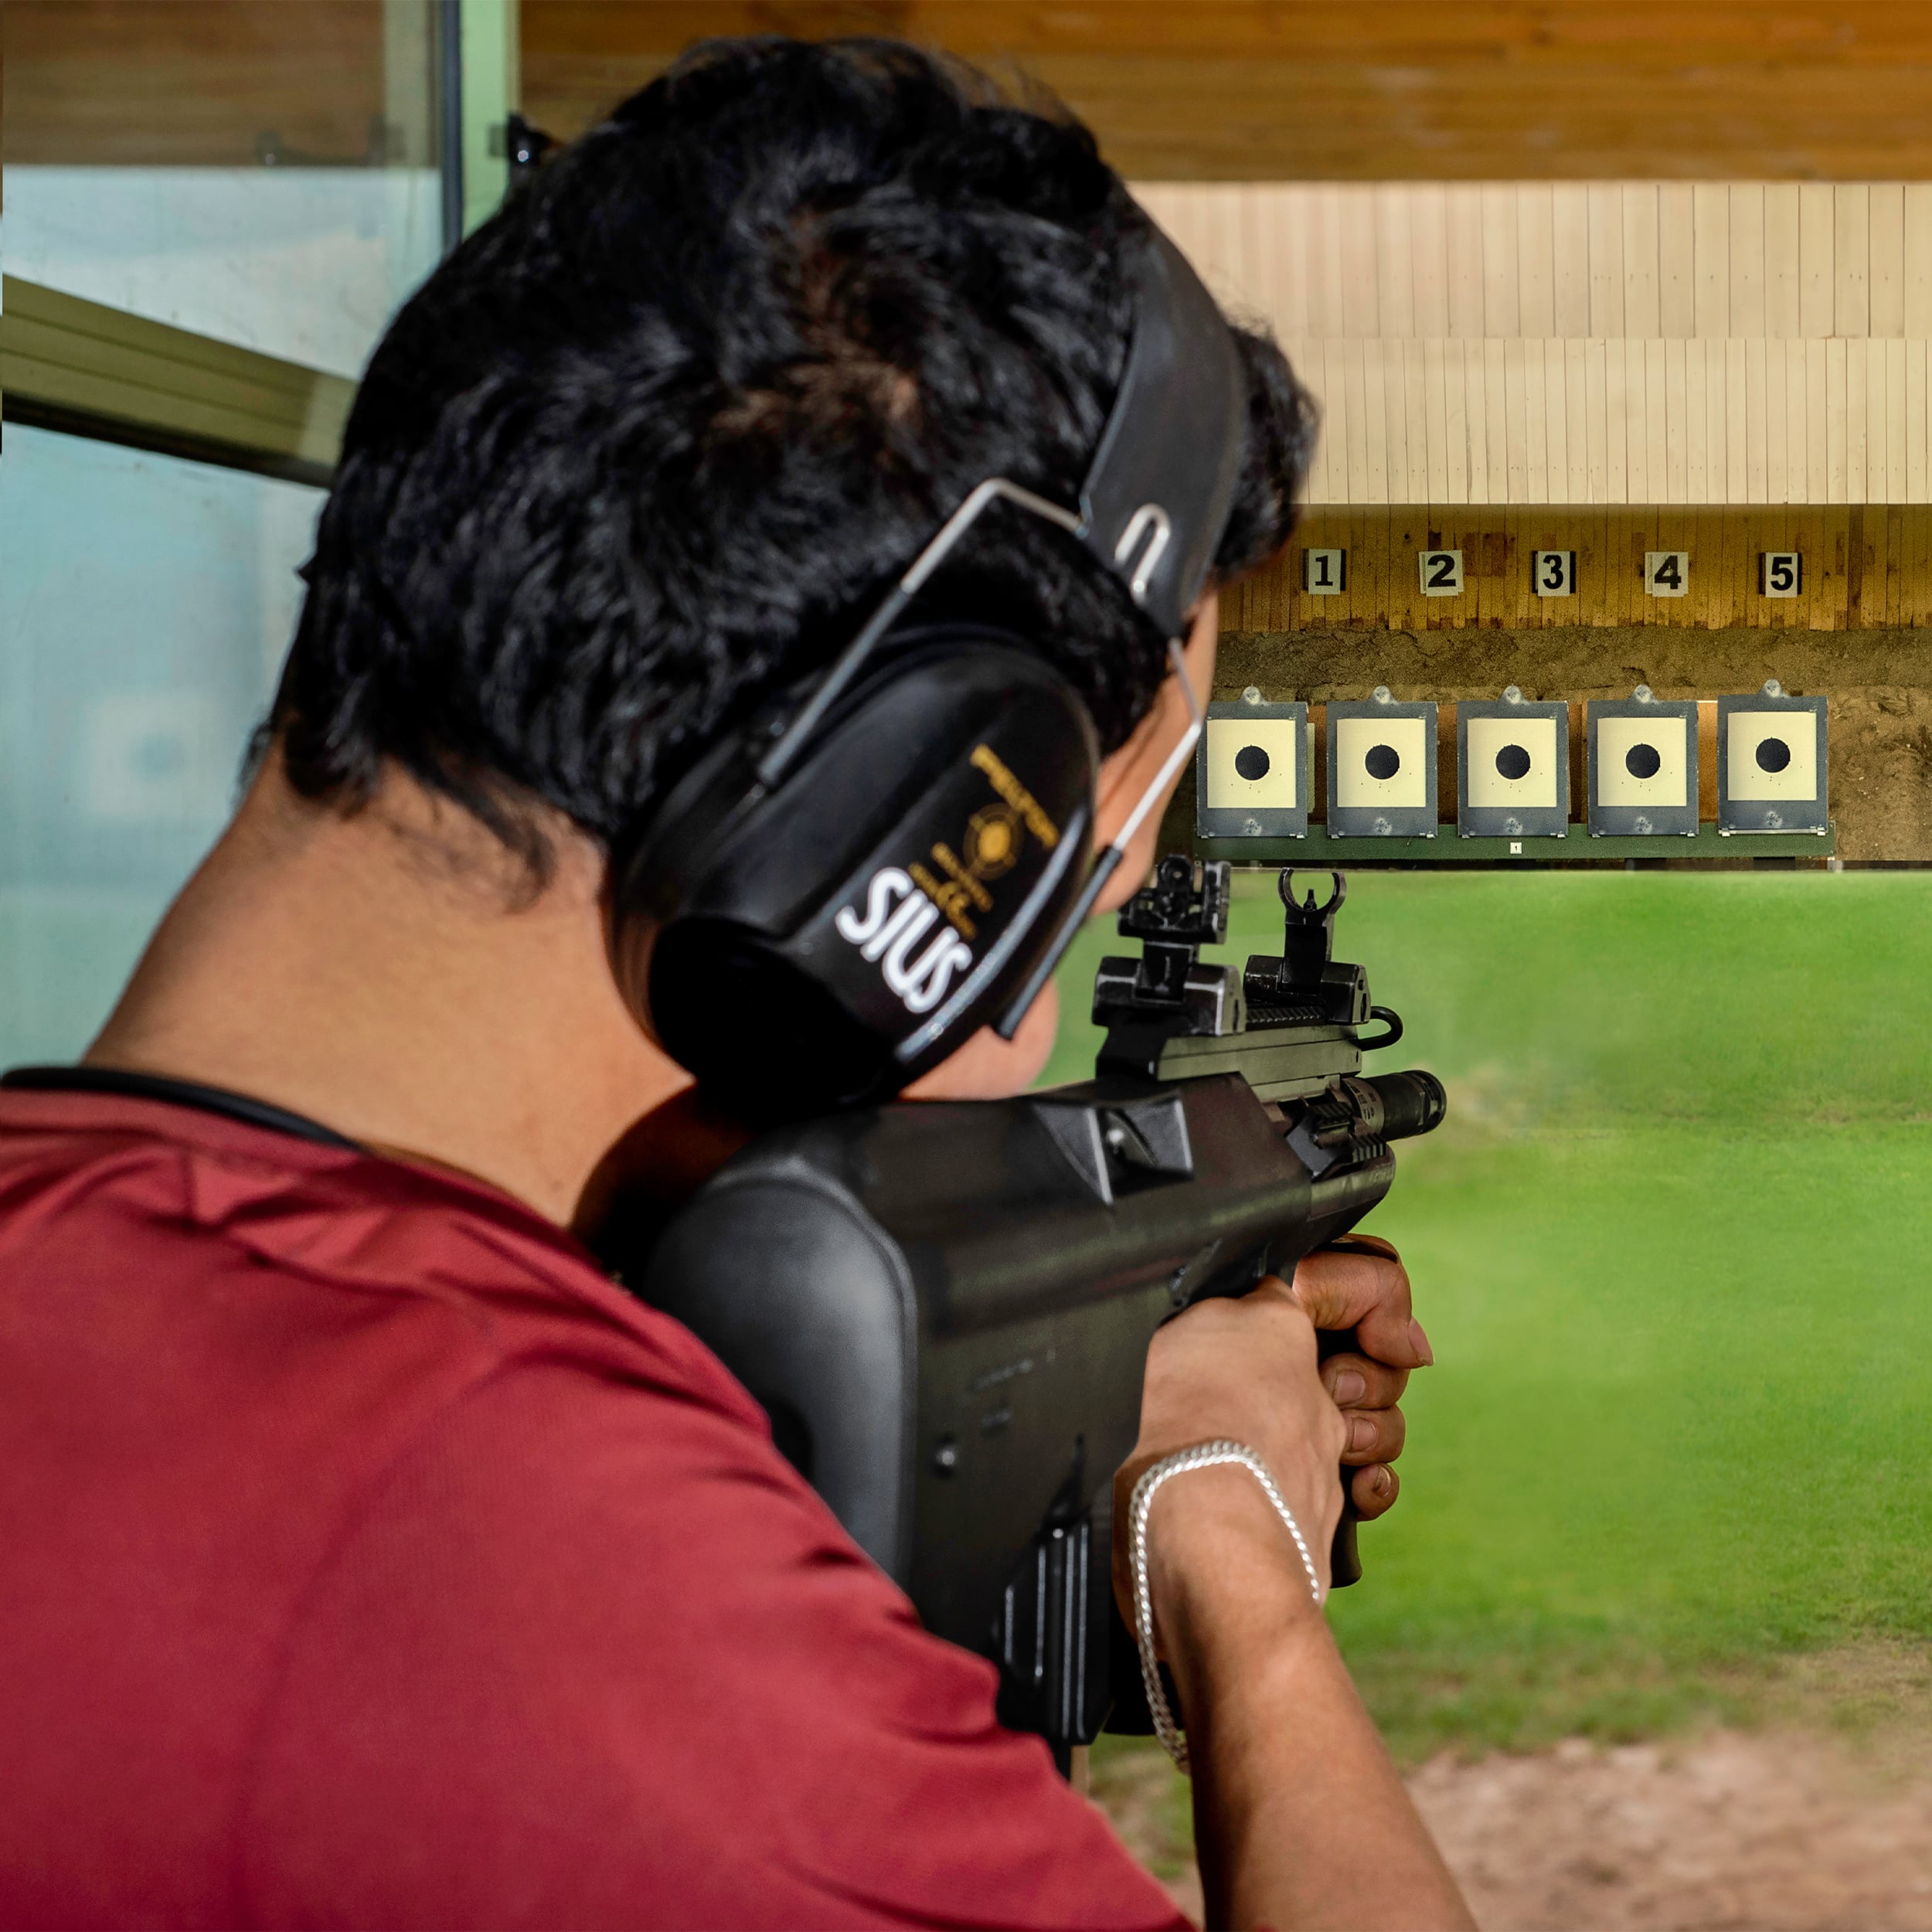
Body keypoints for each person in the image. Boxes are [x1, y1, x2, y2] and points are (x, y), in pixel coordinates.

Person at [0, 38, 1471, 1932]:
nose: (1060, 960)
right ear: (919, 820)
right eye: (1096, 843)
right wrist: (1227, 1551)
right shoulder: (546, 1581)